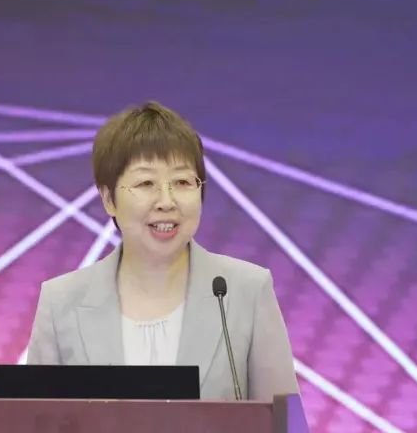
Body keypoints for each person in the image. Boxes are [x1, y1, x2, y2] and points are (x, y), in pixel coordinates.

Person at [26, 101, 298, 401]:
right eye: (146, 183)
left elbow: (285, 426)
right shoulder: (61, 302)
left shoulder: (246, 292)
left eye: (182, 182)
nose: (166, 202)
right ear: (109, 199)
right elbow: (36, 425)